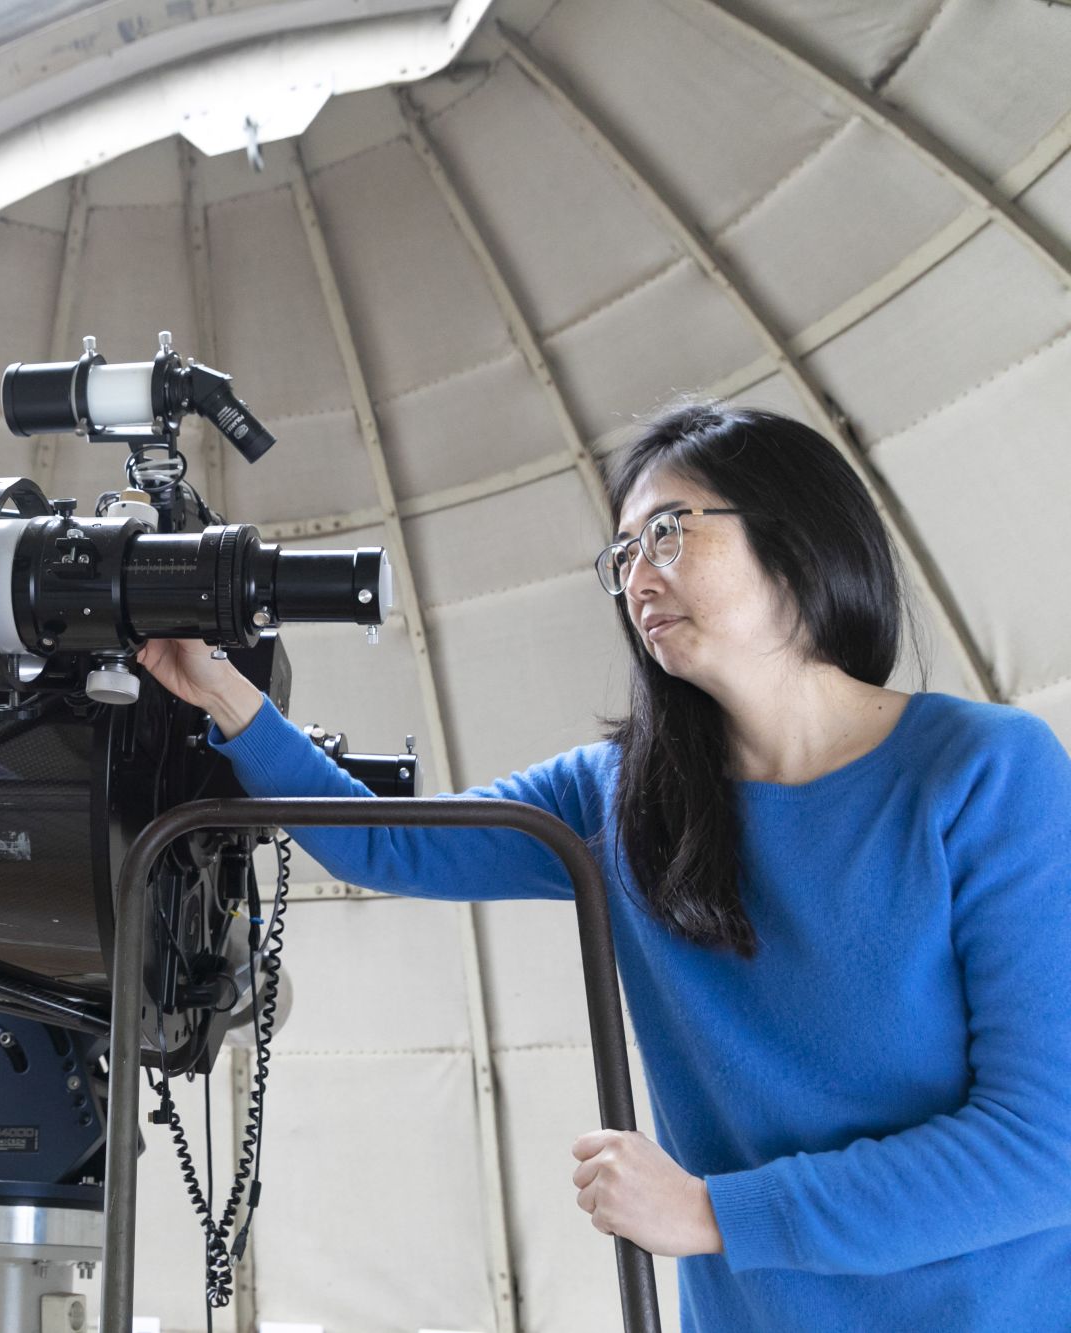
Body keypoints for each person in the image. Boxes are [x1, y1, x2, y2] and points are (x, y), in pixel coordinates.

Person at [137, 403, 1071, 1328]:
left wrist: (712, 1212)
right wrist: (224, 694)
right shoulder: (622, 793)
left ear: (797, 534)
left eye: (668, 531)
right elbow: (390, 839)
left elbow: (1046, 1145)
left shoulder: (986, 771)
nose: (637, 577)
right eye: (621, 555)